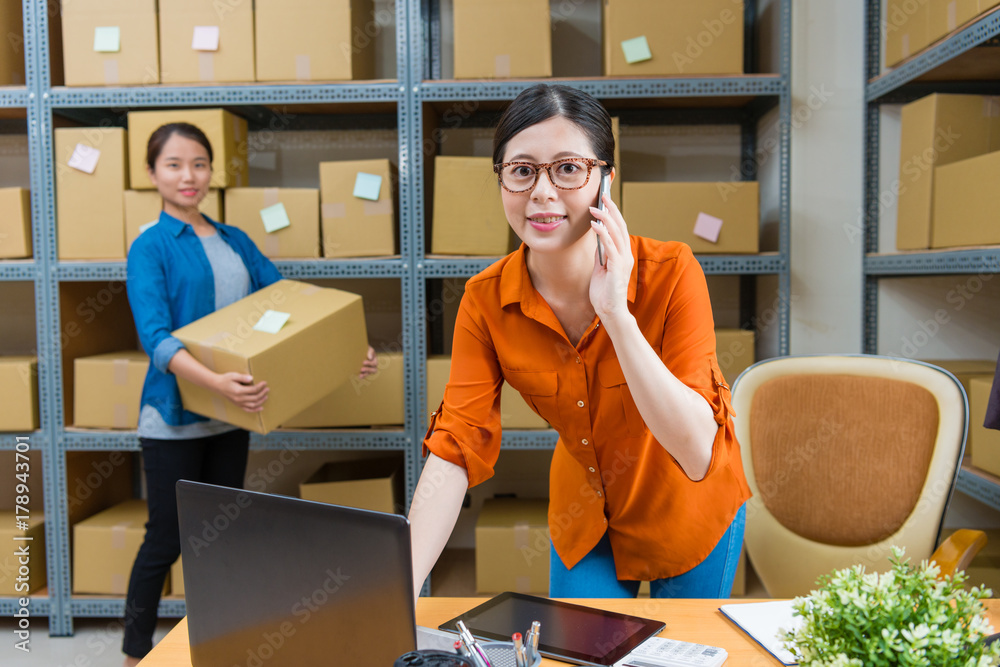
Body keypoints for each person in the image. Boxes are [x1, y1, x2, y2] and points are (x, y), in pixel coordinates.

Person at [408, 84, 751, 601]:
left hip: (689, 507)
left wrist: (616, 314)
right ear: (502, 181)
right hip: (585, 514)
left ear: (605, 180)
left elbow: (698, 451)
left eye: (568, 168)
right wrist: (398, 587)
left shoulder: (672, 272)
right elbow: (455, 446)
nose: (542, 193)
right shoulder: (484, 301)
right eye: (521, 170)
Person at [121, 122, 377, 666]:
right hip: (174, 418)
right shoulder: (150, 248)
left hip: (229, 417)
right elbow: (155, 337)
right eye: (173, 165)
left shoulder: (236, 241)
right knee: (166, 540)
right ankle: (133, 653)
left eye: (198, 164)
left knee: (222, 544)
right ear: (151, 174)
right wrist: (214, 382)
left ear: (212, 171)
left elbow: (287, 306)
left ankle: (217, 646)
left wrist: (345, 346)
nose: (188, 176)